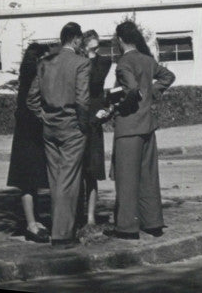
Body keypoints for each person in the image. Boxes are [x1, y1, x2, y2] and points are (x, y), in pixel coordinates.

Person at [107, 21, 175, 240]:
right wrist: (152, 93)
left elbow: (132, 89)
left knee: (126, 179)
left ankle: (127, 227)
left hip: (128, 127)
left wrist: (119, 103)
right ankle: (153, 222)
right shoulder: (147, 60)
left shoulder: (123, 63)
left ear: (119, 40)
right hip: (147, 125)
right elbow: (168, 76)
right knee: (148, 177)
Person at [26, 22, 90, 247]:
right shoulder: (81, 63)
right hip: (72, 126)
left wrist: (42, 114)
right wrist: (83, 125)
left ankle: (59, 228)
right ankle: (63, 234)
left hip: (49, 127)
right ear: (76, 39)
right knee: (68, 179)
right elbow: (82, 100)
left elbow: (31, 98)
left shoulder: (45, 63)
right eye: (80, 39)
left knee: (56, 180)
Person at [6, 42, 51, 242]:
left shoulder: (27, 74)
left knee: (30, 180)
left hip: (26, 132)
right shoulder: (36, 75)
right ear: (39, 58)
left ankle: (33, 220)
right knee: (28, 180)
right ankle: (31, 224)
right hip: (30, 132)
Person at [80, 30, 112, 230]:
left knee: (91, 171)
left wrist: (87, 56)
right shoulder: (78, 60)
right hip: (79, 117)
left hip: (93, 118)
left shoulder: (103, 62)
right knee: (76, 171)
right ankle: (76, 214)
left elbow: (94, 81)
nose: (95, 42)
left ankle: (90, 217)